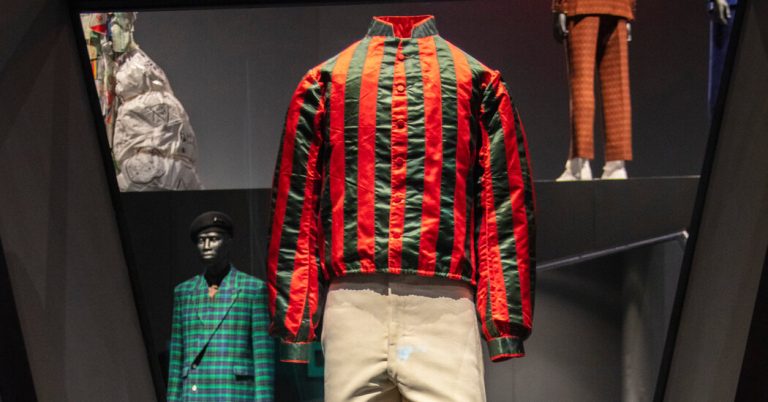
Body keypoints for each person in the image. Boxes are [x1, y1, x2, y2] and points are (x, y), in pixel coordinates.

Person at [167, 211, 273, 401]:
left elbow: (262, 359)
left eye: (214, 239)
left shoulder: (252, 289)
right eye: (201, 241)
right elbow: (176, 359)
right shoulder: (184, 292)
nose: (206, 246)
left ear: (228, 242)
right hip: (194, 392)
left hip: (233, 392)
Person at [552, 0, 636, 180]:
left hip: (582, 6)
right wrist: (629, 11)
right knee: (617, 86)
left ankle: (580, 164)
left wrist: (560, 6)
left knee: (581, 82)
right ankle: (617, 165)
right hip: (619, 7)